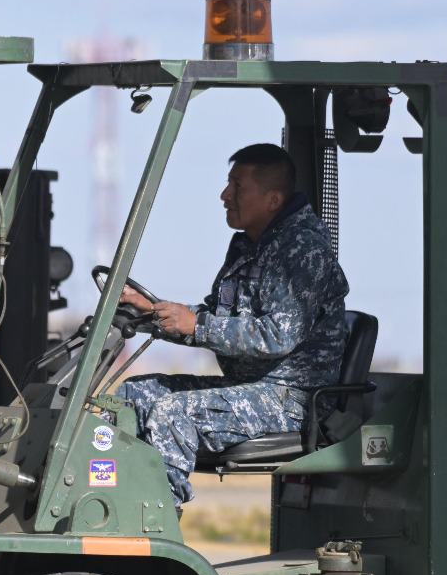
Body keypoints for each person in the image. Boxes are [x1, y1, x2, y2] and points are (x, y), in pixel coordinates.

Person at [115, 143, 349, 506]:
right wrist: (152, 311)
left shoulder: (302, 251)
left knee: (173, 413)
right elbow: (216, 315)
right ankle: (114, 501)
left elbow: (278, 335)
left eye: (238, 186)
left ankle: (155, 519)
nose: (225, 195)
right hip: (251, 387)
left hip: (291, 400)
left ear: (273, 200)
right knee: (131, 396)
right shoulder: (250, 246)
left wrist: (197, 326)